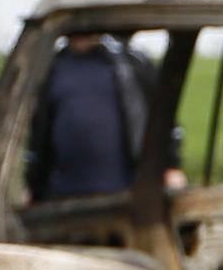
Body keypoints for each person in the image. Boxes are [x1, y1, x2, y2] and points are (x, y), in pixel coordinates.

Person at [21, 21, 162, 201]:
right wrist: (32, 185)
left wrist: (171, 167)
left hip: (124, 194)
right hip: (61, 197)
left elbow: (161, 119)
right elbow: (38, 133)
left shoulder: (131, 65)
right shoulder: (51, 69)